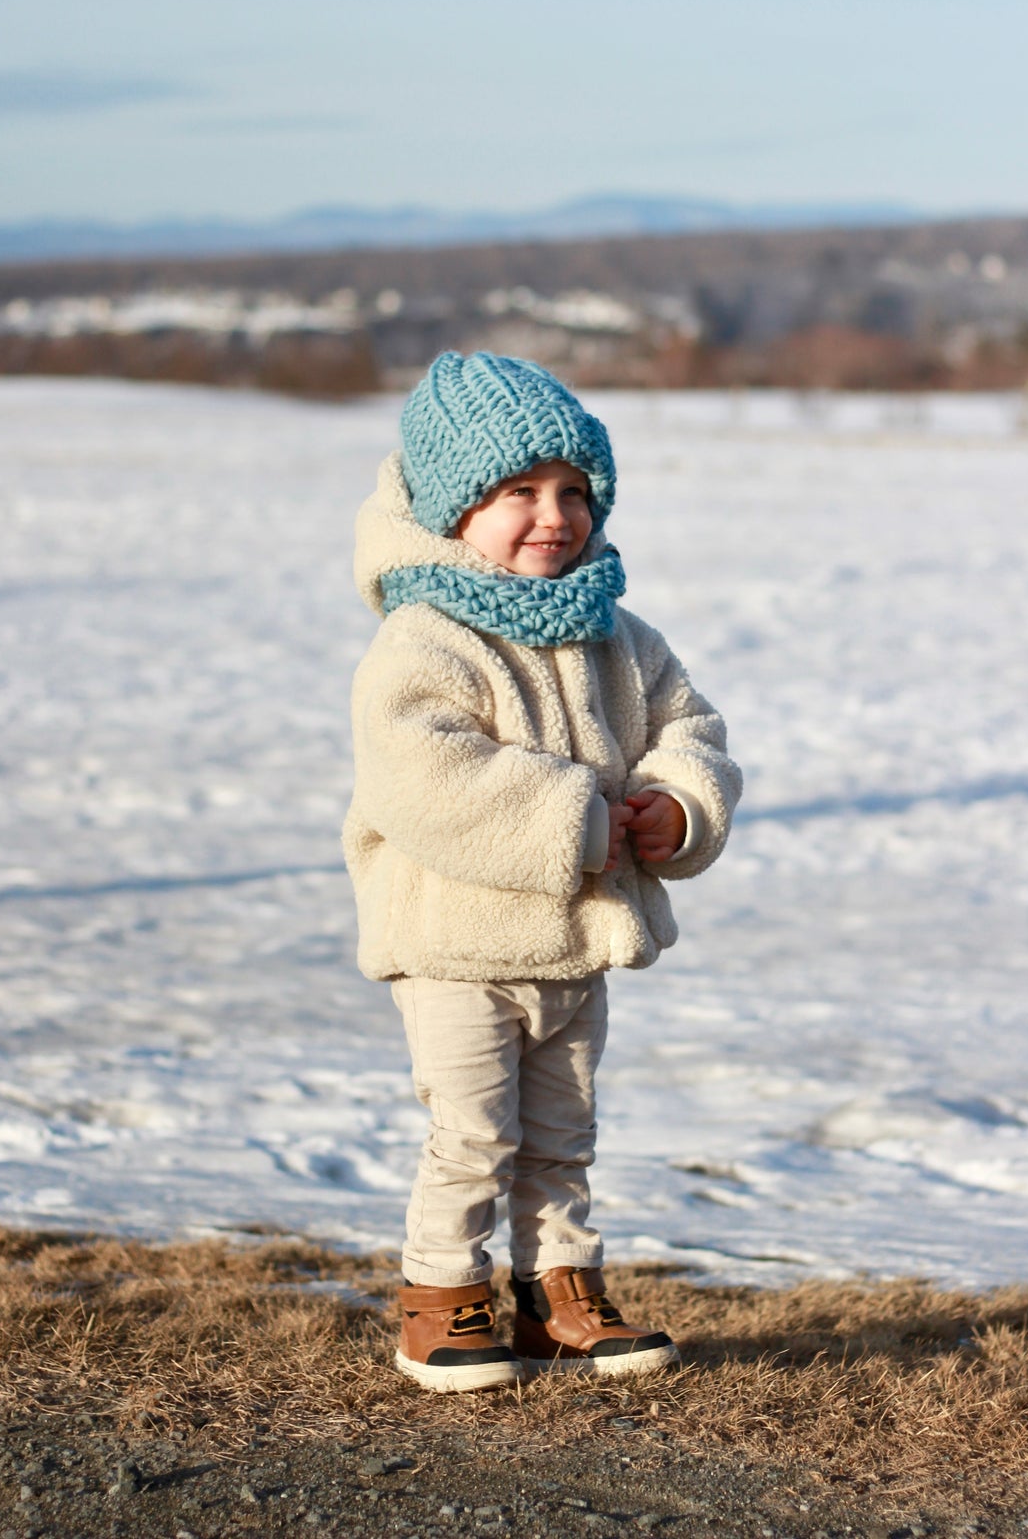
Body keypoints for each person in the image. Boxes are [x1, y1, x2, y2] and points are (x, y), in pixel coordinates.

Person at [343, 352, 742, 1392]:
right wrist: (576, 816)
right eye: (518, 491)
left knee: (562, 1134)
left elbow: (687, 726)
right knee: (474, 1132)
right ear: (452, 509)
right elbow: (425, 777)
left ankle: (555, 1289)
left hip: (575, 946)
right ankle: (443, 1295)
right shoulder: (422, 640)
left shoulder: (619, 634)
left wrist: (676, 803)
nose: (552, 515)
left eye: (573, 491)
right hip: (456, 945)